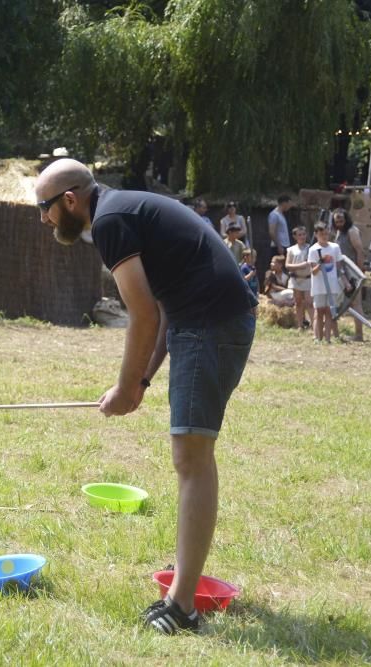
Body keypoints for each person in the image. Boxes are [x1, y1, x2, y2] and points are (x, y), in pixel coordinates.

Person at [34, 159, 255, 635]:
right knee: (191, 455)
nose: (44, 219)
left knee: (191, 457)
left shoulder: (110, 221)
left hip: (210, 324)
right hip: (207, 319)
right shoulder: (123, 209)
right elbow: (162, 305)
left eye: (45, 208)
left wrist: (123, 386)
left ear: (69, 200)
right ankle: (185, 582)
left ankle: (183, 608)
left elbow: (142, 317)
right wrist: (141, 381)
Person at [332, 209, 365, 342]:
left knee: (356, 303)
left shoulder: (352, 231)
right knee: (347, 303)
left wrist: (359, 272)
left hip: (353, 273)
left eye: (341, 221)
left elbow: (360, 251)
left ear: (346, 220)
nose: (339, 223)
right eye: (337, 221)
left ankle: (359, 335)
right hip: (343, 273)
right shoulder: (340, 232)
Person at [308, 221, 342, 344]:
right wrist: (320, 263)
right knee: (319, 311)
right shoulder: (313, 250)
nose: (324, 236)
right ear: (316, 234)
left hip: (332, 285)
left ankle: (328, 338)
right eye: (322, 234)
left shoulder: (335, 247)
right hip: (319, 286)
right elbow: (313, 272)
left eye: (326, 234)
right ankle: (318, 338)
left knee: (329, 312)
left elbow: (338, 267)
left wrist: (343, 281)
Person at [285, 226, 314, 330]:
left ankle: (313, 325)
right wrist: (301, 265)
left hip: (307, 278)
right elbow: (288, 265)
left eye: (304, 234)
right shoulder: (291, 250)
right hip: (296, 279)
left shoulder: (311, 248)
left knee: (309, 303)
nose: (302, 237)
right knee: (298, 302)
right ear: (295, 236)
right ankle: (300, 325)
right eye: (299, 235)